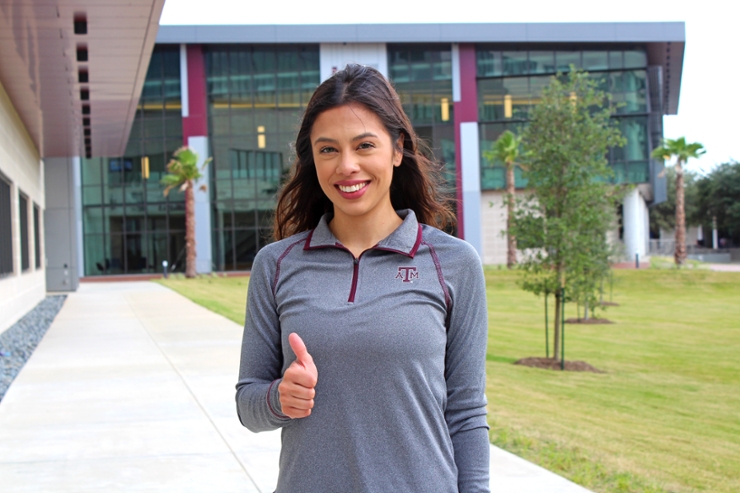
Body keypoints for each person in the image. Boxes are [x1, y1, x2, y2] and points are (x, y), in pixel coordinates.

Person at [236, 64, 490, 493]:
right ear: (312, 159)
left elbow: (466, 413)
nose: (347, 166)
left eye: (364, 145)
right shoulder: (275, 265)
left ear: (397, 149)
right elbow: (248, 404)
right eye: (328, 150)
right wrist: (280, 398)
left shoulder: (454, 263)